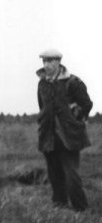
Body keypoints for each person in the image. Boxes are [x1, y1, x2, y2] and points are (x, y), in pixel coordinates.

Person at [36, 48, 93, 211]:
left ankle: (81, 211)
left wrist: (76, 114)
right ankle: (60, 210)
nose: (47, 65)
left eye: (50, 61)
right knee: (55, 176)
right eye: (44, 61)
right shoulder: (42, 83)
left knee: (72, 177)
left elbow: (87, 105)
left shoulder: (73, 82)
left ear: (58, 62)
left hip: (69, 136)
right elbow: (42, 106)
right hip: (48, 136)